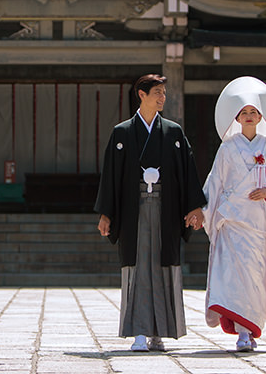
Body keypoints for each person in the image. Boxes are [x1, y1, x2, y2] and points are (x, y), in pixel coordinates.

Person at [94, 74, 207, 352]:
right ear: (141, 95)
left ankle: (161, 332)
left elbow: (187, 171)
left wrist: (195, 207)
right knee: (140, 268)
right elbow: (111, 176)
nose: (162, 97)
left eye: (164, 93)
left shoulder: (173, 132)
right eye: (157, 92)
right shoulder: (122, 133)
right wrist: (106, 214)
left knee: (162, 267)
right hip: (135, 210)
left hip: (165, 209)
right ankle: (140, 332)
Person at [202, 76, 266, 352]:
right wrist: (203, 212)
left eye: (253, 112)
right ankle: (241, 332)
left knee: (256, 278)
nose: (249, 116)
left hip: (257, 221)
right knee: (234, 279)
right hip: (232, 222)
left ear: (260, 116)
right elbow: (215, 181)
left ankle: (251, 330)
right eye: (244, 113)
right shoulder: (227, 148)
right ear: (237, 118)